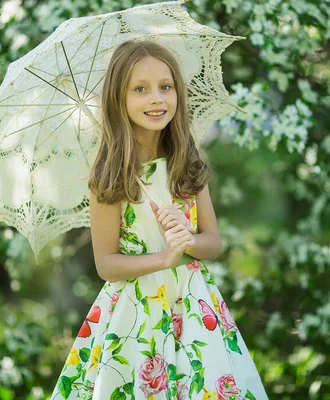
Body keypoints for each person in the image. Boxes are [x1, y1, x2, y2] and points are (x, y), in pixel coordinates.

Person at [49, 40, 268, 400]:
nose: (157, 98)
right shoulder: (110, 176)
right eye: (140, 89)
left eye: (165, 87)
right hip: (137, 312)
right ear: (118, 99)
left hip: (193, 308)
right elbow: (106, 264)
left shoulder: (187, 161)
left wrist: (189, 240)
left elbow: (213, 241)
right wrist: (164, 258)